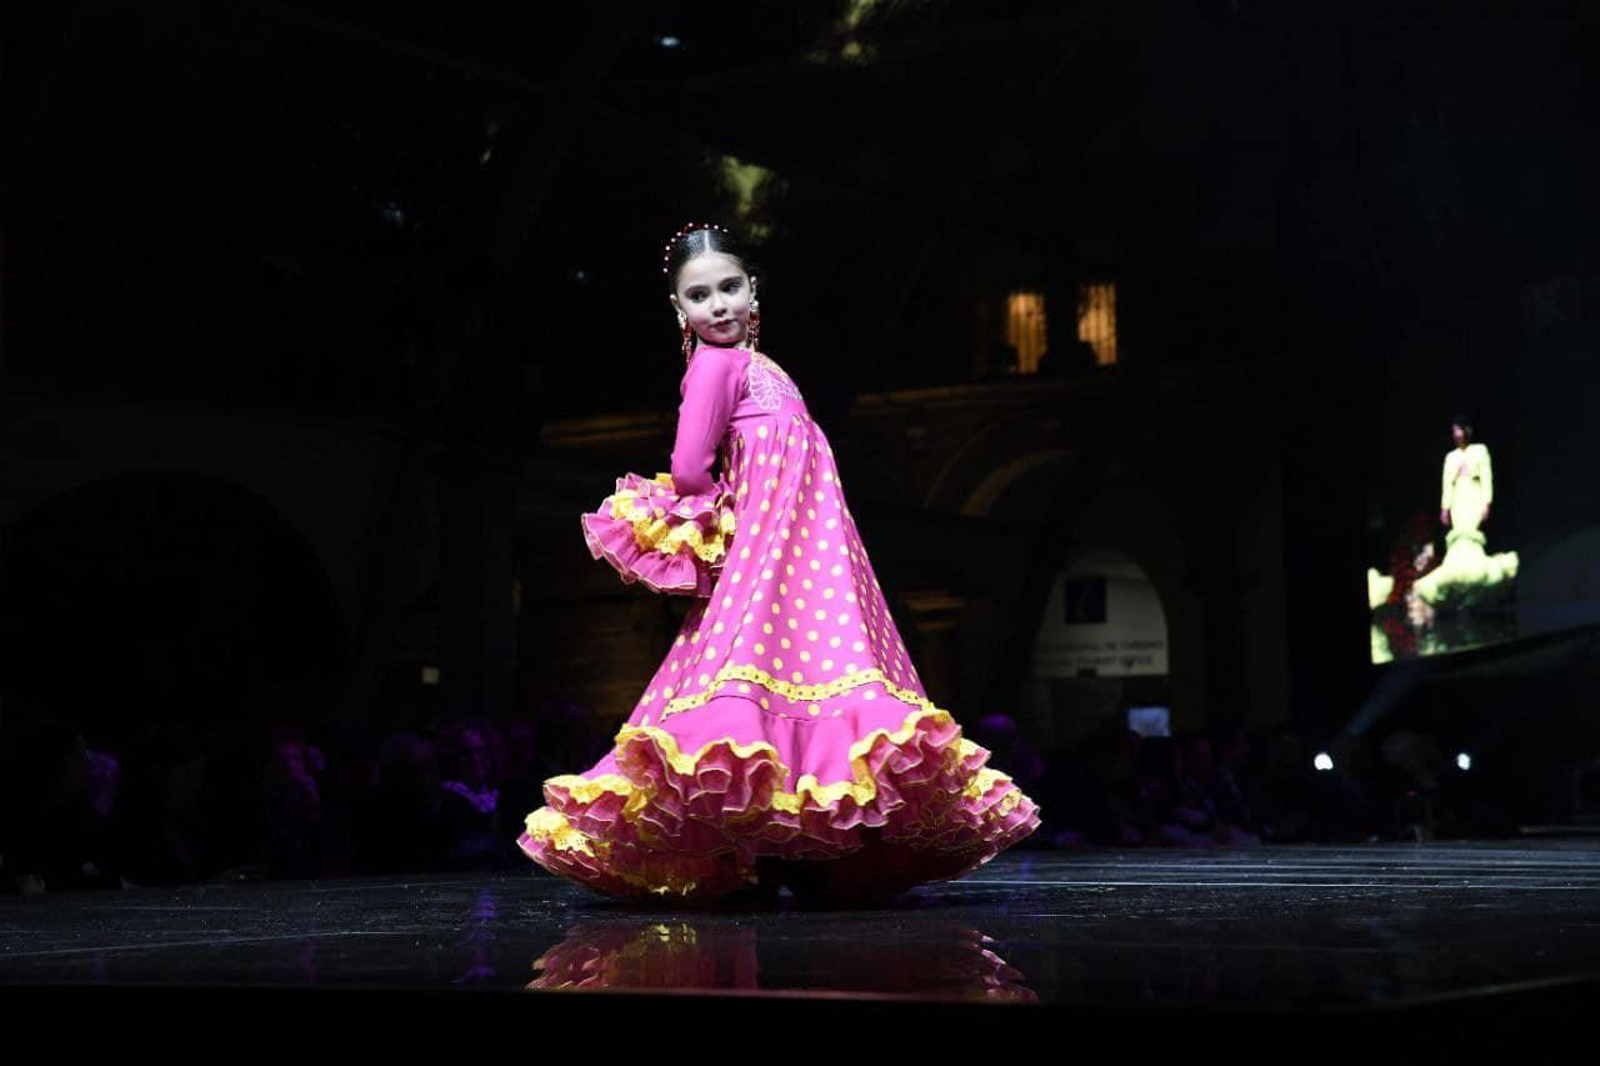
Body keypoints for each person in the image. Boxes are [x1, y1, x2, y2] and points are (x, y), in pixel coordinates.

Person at [519, 223, 1041, 904]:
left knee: (811, 673)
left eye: (729, 287)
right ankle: (772, 848)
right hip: (771, 556)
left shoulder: (764, 368)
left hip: (809, 556)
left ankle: (801, 846)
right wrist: (722, 526)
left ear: (753, 289)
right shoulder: (716, 366)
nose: (719, 305)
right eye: (699, 296)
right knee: (763, 676)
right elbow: (688, 468)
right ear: (680, 311)